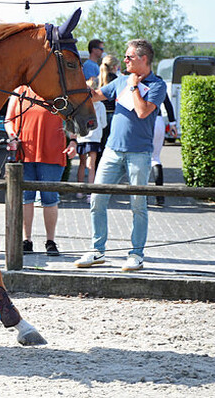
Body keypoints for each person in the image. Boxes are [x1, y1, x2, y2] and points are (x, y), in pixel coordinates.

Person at [75, 39, 166, 272]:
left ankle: (136, 254)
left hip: (140, 154)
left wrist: (134, 86)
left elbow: (143, 111)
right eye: (125, 57)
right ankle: (97, 250)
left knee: (138, 205)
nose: (125, 60)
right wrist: (77, 86)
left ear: (143, 59)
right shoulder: (120, 81)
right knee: (97, 199)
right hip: (112, 150)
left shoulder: (157, 84)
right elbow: (95, 95)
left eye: (129, 57)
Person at [5, 86, 77, 256]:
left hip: (52, 152)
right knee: (25, 198)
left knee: (50, 198)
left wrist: (73, 141)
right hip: (24, 152)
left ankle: (50, 241)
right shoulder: (19, 90)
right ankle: (26, 240)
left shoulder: (58, 91)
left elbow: (72, 119)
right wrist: (12, 135)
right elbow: (9, 120)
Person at [75, 79, 108, 202]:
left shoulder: (80, 104)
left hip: (82, 137)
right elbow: (104, 123)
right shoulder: (100, 104)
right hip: (94, 138)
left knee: (82, 164)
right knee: (91, 165)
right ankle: (91, 192)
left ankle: (79, 190)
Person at [150, 89, 176, 206]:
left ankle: (141, 195)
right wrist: (172, 123)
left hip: (144, 120)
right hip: (158, 120)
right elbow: (168, 104)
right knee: (155, 158)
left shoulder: (138, 83)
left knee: (142, 158)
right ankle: (160, 197)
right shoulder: (158, 83)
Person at [98, 54, 120, 151]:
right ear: (115, 67)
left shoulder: (99, 79)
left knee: (100, 142)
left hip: (100, 113)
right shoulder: (116, 79)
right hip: (112, 113)